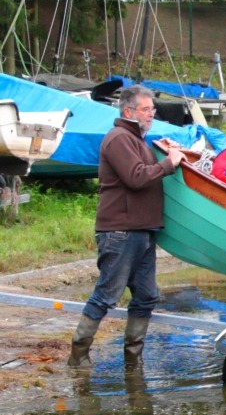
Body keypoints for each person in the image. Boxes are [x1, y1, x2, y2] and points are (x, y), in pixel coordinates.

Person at [68, 85, 186, 368]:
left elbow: (146, 169)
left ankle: (133, 359)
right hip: (121, 232)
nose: (152, 115)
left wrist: (166, 152)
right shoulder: (118, 138)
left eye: (152, 110)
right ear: (128, 112)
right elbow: (136, 177)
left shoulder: (138, 141)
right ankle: (78, 357)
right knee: (107, 295)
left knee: (146, 297)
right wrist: (168, 164)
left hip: (144, 230)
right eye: (146, 110)